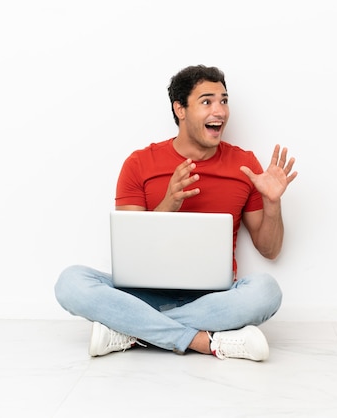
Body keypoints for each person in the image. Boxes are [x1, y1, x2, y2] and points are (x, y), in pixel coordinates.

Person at [54, 65, 297, 361]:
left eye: (224, 100)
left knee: (266, 291)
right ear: (179, 109)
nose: (219, 111)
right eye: (207, 101)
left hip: (215, 298)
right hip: (145, 294)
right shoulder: (140, 163)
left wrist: (272, 203)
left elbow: (270, 250)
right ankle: (204, 341)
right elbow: (134, 252)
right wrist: (169, 202)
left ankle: (132, 332)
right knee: (71, 282)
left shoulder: (244, 164)